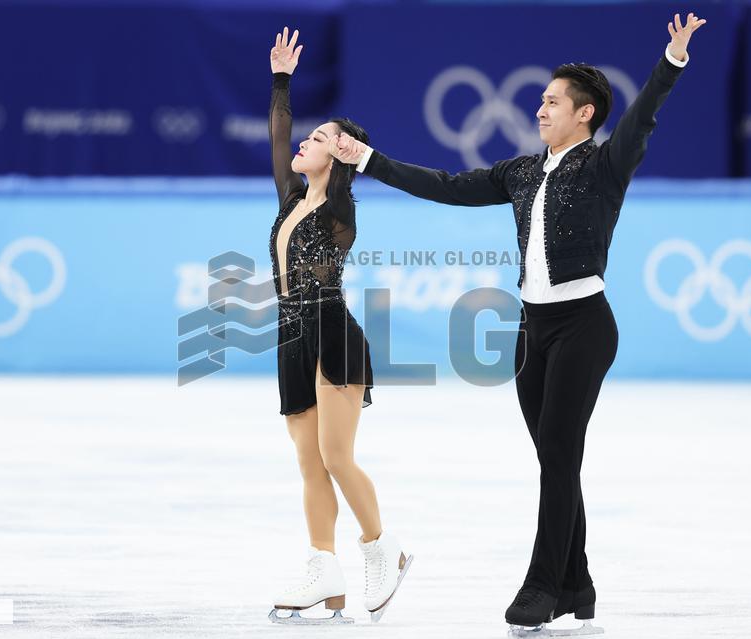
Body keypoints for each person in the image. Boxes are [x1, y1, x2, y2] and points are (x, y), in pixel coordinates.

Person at [330, 13, 706, 635]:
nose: (540, 109)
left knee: (558, 457)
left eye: (552, 102)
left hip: (585, 326)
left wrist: (671, 61)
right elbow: (446, 186)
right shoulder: (522, 172)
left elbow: (642, 115)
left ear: (583, 114)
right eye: (541, 100)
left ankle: (542, 588)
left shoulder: (606, 166)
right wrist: (367, 158)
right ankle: (578, 585)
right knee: (557, 460)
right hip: (532, 329)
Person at [265, 27, 413, 625]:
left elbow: (341, 191)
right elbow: (278, 142)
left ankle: (385, 550)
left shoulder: (339, 209)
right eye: (311, 134)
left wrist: (353, 154)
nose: (306, 141)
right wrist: (281, 81)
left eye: (321, 139)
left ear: (342, 156)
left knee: (335, 454)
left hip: (333, 335)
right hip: (289, 338)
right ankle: (323, 569)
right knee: (307, 463)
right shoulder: (290, 200)